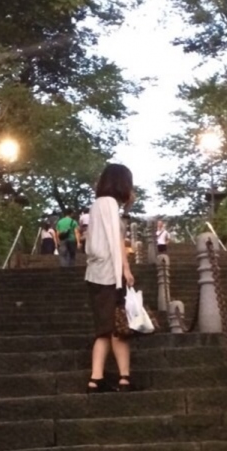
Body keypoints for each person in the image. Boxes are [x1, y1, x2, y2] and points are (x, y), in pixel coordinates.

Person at [85, 163, 135, 392]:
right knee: (117, 329)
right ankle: (123, 378)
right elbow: (116, 241)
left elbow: (113, 237)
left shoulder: (98, 204)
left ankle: (96, 379)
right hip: (109, 275)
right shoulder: (109, 204)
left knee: (104, 329)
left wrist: (127, 208)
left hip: (96, 273)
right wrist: (125, 270)